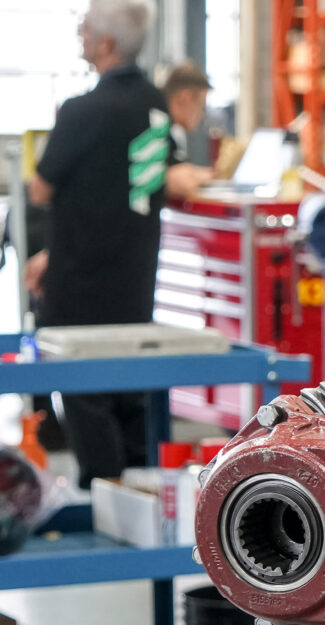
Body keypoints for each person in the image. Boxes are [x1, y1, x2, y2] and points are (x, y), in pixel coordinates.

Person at [26, 0, 170, 488]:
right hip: (134, 276)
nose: (80, 36)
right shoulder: (155, 105)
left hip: (81, 281)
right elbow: (143, 189)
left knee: (82, 388)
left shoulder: (81, 110)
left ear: (104, 44)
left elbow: (41, 189)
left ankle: (104, 490)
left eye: (84, 29)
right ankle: (137, 498)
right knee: (129, 388)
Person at [162, 62, 215, 200]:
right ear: (186, 97)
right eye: (201, 105)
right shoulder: (159, 129)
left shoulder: (170, 129)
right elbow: (183, 182)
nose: (202, 115)